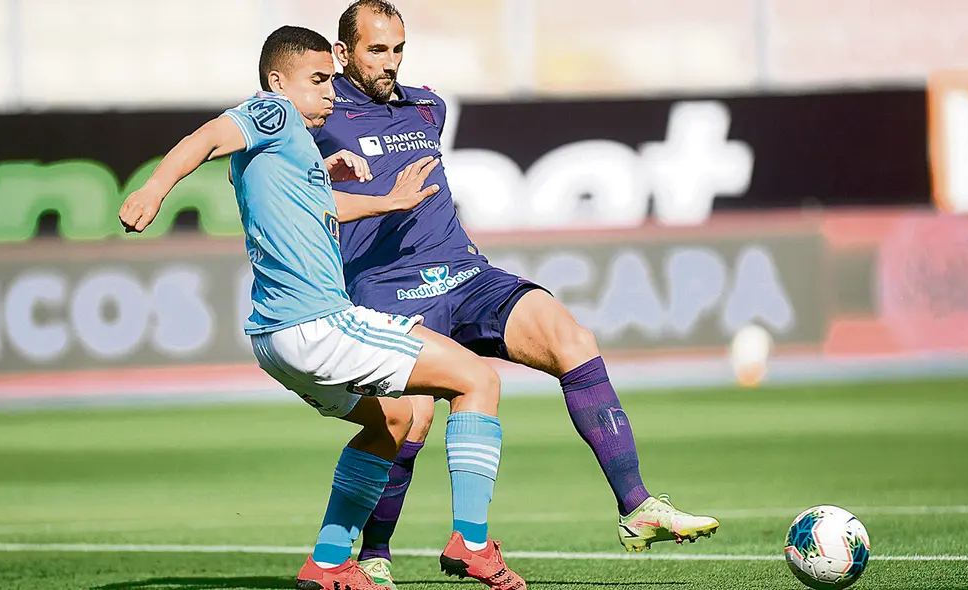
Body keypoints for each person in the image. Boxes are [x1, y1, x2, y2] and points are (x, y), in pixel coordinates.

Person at [313, 2, 720, 587]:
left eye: (399, 48)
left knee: (571, 338)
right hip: (385, 290)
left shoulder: (426, 106)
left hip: (464, 274)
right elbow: (247, 158)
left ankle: (637, 507)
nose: (391, 62)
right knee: (414, 416)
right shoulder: (317, 113)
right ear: (343, 52)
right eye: (378, 50)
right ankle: (376, 553)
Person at [118, 25, 525, 590]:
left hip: (274, 341)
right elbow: (211, 135)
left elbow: (317, 204)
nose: (330, 92)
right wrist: (154, 188)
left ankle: (330, 560)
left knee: (394, 420)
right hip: (317, 325)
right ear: (276, 81)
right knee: (476, 379)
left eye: (332, 80)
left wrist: (385, 199)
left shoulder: (290, 150)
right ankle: (472, 545)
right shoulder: (274, 114)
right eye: (317, 80)